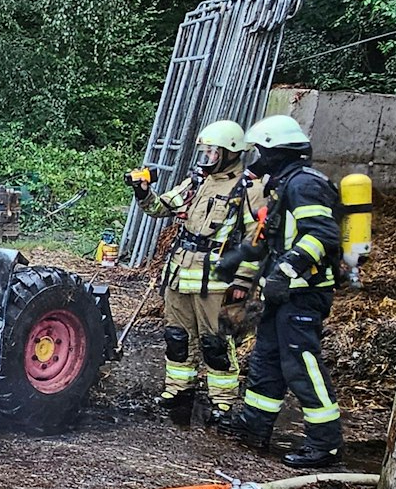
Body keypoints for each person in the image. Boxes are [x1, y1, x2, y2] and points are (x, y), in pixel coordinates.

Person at [222, 114, 344, 467]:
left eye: (260, 150)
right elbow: (270, 237)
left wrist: (285, 272)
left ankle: (325, 444)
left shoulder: (304, 184)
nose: (256, 157)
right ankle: (254, 426)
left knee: (301, 364)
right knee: (266, 360)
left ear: (276, 151)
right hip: (281, 294)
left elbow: (321, 235)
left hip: (304, 293)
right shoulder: (282, 185)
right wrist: (238, 260)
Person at [127, 120, 267, 424]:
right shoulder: (197, 182)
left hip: (216, 279)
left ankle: (223, 402)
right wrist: (143, 193)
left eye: (213, 152)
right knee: (177, 337)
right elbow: (160, 208)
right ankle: (178, 390)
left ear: (230, 153)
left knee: (215, 343)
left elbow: (256, 239)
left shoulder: (248, 188)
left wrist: (243, 281)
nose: (207, 157)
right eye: (204, 151)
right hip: (180, 273)